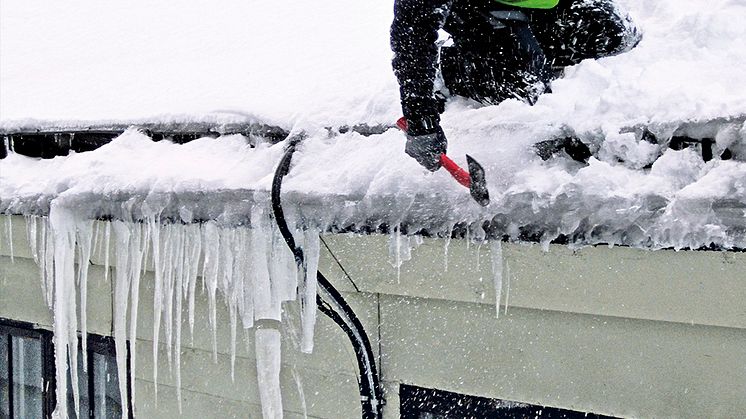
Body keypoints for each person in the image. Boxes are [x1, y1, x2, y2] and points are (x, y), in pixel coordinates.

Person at [391, 0, 641, 171]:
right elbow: (412, 31)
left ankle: (532, 52)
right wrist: (421, 119)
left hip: (543, 7)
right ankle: (450, 70)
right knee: (528, 92)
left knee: (617, 33)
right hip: (482, 10)